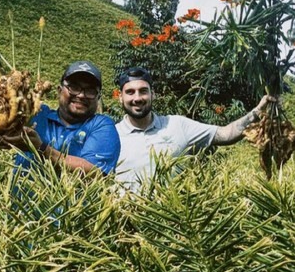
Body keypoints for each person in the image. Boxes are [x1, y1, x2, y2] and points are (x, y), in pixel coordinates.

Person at [0, 20, 120, 175]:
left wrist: (40, 148)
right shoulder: (36, 113)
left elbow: (95, 172)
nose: (81, 95)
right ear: (59, 90)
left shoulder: (101, 125)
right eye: (74, 87)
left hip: (66, 197)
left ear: (98, 97)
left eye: (90, 90)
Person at [115, 66, 275, 186]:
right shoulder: (110, 136)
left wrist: (258, 111)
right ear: (120, 98)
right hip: (126, 220)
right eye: (130, 92)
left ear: (153, 95)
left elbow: (226, 134)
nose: (137, 98)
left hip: (174, 218)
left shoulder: (177, 125)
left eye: (143, 91)